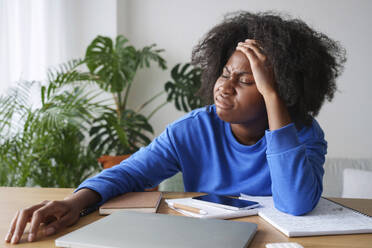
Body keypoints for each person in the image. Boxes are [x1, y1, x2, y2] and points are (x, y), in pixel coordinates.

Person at [5, 11, 346, 244]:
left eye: (246, 81)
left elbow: (297, 204)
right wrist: (73, 202)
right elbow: (130, 173)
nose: (224, 87)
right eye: (225, 74)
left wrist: (273, 97)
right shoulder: (195, 130)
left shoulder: (302, 134)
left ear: (283, 91)